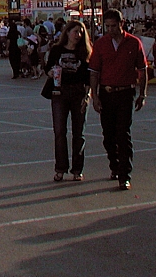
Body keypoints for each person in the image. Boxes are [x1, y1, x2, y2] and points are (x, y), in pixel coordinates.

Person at [88, 10, 147, 191]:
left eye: (114, 26)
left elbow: (142, 70)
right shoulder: (101, 44)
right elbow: (94, 72)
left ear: (122, 23)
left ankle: (124, 174)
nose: (111, 30)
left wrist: (142, 94)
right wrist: (95, 96)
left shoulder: (134, 43)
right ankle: (114, 165)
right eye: (108, 26)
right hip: (106, 93)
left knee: (123, 133)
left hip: (125, 93)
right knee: (108, 134)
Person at [45, 21, 92, 182]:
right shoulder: (57, 50)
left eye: (81, 32)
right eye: (75, 31)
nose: (77, 35)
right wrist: (51, 72)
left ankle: (77, 169)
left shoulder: (84, 52)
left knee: (79, 133)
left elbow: (89, 78)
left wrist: (88, 96)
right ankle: (60, 168)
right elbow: (48, 67)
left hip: (79, 92)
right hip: (59, 92)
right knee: (59, 132)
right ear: (67, 32)